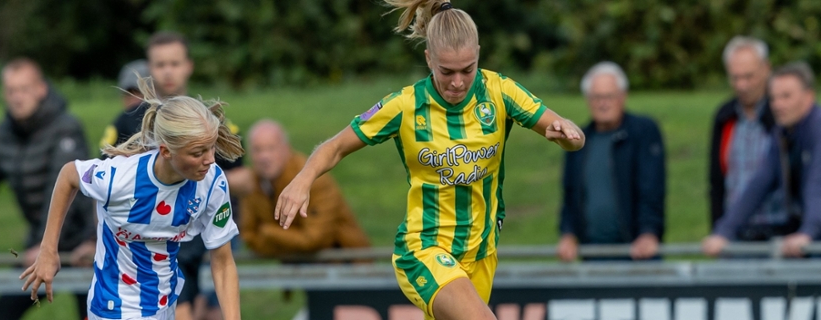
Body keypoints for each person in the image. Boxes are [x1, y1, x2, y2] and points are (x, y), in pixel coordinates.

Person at [274, 1, 584, 319]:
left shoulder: (499, 91)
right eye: (446, 71)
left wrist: (569, 136)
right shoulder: (405, 106)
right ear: (428, 59)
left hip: (481, 252)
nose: (458, 82)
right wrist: (302, 179)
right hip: (424, 250)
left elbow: (568, 135)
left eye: (468, 69)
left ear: (478, 53)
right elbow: (336, 146)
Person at [19, 76, 244, 320]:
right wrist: (48, 249)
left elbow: (223, 264)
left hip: (165, 305)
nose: (210, 159)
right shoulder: (120, 177)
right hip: (113, 308)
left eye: (211, 147)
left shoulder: (212, 181)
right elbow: (69, 175)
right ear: (166, 151)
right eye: (198, 152)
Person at [98, 32, 248, 320]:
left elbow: (244, 179)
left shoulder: (209, 120)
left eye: (175, 63)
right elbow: (103, 186)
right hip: (147, 238)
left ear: (188, 66)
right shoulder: (128, 122)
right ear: (149, 68)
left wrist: (199, 188)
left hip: (203, 233)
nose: (167, 71)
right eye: (160, 64)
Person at [0, 58, 95, 320]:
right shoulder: (4, 135)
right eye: (11, 91)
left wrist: (44, 243)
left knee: (93, 314)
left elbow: (63, 192)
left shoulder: (65, 128)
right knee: (2, 313)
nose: (17, 97)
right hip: (42, 246)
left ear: (41, 89)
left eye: (23, 89)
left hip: (84, 244)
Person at [704, 62, 821, 258]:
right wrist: (724, 231)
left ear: (809, 96)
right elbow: (759, 183)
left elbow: (817, 185)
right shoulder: (782, 134)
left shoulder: (817, 130)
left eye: (786, 97)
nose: (777, 105)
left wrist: (808, 231)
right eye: (773, 98)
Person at [556, 62, 666, 262]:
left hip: (637, 253)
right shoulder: (577, 140)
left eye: (609, 96)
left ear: (623, 96)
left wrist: (649, 232)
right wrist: (568, 234)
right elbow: (570, 195)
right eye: (597, 97)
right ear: (588, 100)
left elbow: (652, 189)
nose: (603, 103)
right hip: (592, 255)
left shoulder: (642, 132)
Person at [239, 119, 371, 259]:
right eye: (257, 150)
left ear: (286, 148)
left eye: (271, 148)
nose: (264, 157)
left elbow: (314, 239)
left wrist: (269, 233)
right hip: (292, 263)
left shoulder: (312, 179)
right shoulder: (252, 183)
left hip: (342, 263)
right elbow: (249, 237)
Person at [709, 36, 785, 241]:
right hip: (735, 232)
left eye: (749, 77)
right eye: (736, 78)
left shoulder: (781, 114)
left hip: (778, 229)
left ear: (766, 69)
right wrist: (718, 229)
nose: (742, 85)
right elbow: (717, 180)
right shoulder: (725, 116)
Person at [99, 59, 151, 150]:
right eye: (128, 94)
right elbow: (104, 154)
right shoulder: (120, 123)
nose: (134, 99)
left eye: (139, 92)